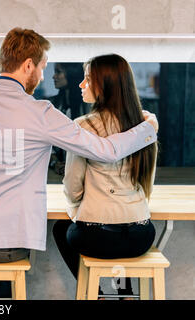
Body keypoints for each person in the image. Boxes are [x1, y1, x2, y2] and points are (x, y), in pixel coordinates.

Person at [0, 28, 158, 299]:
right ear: (28, 65)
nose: (41, 76)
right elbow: (106, 151)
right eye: (42, 67)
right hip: (9, 245)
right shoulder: (42, 113)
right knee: (7, 254)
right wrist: (147, 129)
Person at [52, 54, 158, 299]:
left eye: (87, 79)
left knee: (62, 229)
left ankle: (97, 293)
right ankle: (124, 291)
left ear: (105, 85)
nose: (81, 84)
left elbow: (72, 187)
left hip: (96, 237)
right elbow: (147, 181)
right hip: (141, 235)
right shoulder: (144, 125)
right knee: (119, 238)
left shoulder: (82, 127)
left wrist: (80, 210)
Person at [49, 63, 86, 175]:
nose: (53, 76)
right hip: (59, 174)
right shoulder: (53, 105)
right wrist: (55, 163)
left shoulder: (88, 107)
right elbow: (46, 142)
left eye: (58, 72)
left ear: (72, 74)